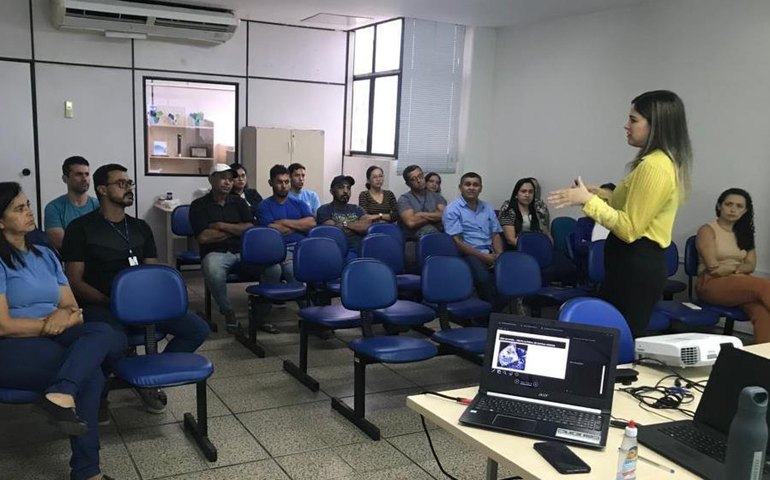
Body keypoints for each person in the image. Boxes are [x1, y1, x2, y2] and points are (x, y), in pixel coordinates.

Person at [0, 182, 127, 480]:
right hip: (14, 344)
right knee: (91, 374)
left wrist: (65, 317)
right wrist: (50, 324)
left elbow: (72, 308)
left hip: (57, 333)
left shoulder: (45, 254)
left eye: (28, 204)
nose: (29, 212)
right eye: (19, 209)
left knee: (108, 332)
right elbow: (4, 325)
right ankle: (87, 472)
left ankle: (61, 391)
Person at [62, 164, 209, 413]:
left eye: (130, 183)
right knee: (113, 342)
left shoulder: (140, 227)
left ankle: (148, 379)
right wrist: (111, 302)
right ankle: (100, 392)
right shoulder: (81, 228)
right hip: (102, 304)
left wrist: (145, 303)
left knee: (196, 329)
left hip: (144, 305)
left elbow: (151, 273)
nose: (129, 188)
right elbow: (74, 280)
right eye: (121, 183)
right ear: (102, 190)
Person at [548, 90, 692, 338]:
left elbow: (629, 228)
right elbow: (632, 205)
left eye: (634, 120)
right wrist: (600, 194)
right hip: (631, 264)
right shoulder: (657, 162)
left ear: (656, 125)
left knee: (617, 340)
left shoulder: (654, 166)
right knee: (609, 337)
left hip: (637, 263)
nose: (626, 126)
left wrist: (588, 200)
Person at [189, 163, 276, 333]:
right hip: (216, 253)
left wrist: (221, 226)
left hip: (244, 252)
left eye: (230, 179)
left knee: (274, 268)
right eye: (222, 178)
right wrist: (236, 230)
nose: (228, 182)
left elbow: (250, 228)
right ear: (211, 180)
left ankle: (260, 316)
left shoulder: (239, 202)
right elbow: (203, 237)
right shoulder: (199, 205)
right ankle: (228, 312)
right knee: (212, 268)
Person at [696, 188, 770, 344]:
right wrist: (737, 268)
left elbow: (751, 265)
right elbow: (713, 268)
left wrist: (731, 268)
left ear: (745, 211)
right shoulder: (707, 230)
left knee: (763, 313)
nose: (733, 209)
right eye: (729, 204)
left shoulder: (745, 233)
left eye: (739, 206)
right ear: (719, 206)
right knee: (764, 285)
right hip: (711, 283)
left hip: (740, 284)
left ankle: (762, 360)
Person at [442, 172, 505, 311]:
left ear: (481, 188)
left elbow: (495, 234)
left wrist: (499, 255)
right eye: (467, 184)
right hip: (467, 255)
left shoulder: (487, 208)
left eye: (475, 185)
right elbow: (456, 242)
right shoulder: (452, 209)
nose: (471, 188)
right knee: (484, 279)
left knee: (509, 275)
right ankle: (487, 319)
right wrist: (484, 257)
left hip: (490, 253)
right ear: (460, 187)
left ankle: (500, 315)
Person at [258, 164, 316, 284]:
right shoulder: (264, 206)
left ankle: (305, 300)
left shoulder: (299, 204)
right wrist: (299, 226)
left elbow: (311, 223)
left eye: (287, 182)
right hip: (275, 248)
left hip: (301, 247)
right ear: (270, 183)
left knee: (296, 269)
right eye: (279, 182)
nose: (284, 186)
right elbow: (272, 231)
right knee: (284, 270)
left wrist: (284, 222)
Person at [44, 156, 99, 251]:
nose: (84, 179)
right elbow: (60, 242)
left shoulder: (99, 205)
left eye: (87, 174)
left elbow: (107, 238)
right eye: (79, 174)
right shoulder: (53, 208)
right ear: (65, 178)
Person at [317, 175, 370, 257]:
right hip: (337, 251)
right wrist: (356, 226)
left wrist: (345, 224)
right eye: (341, 187)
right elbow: (334, 231)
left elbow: (366, 227)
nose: (345, 191)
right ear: (332, 191)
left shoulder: (357, 209)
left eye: (348, 188)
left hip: (361, 250)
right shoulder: (324, 209)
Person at [499, 178, 548, 249]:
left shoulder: (537, 210)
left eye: (530, 192)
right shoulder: (508, 211)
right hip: (517, 250)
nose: (527, 195)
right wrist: (532, 249)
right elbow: (511, 240)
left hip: (536, 246)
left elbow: (546, 233)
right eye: (523, 191)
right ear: (516, 194)